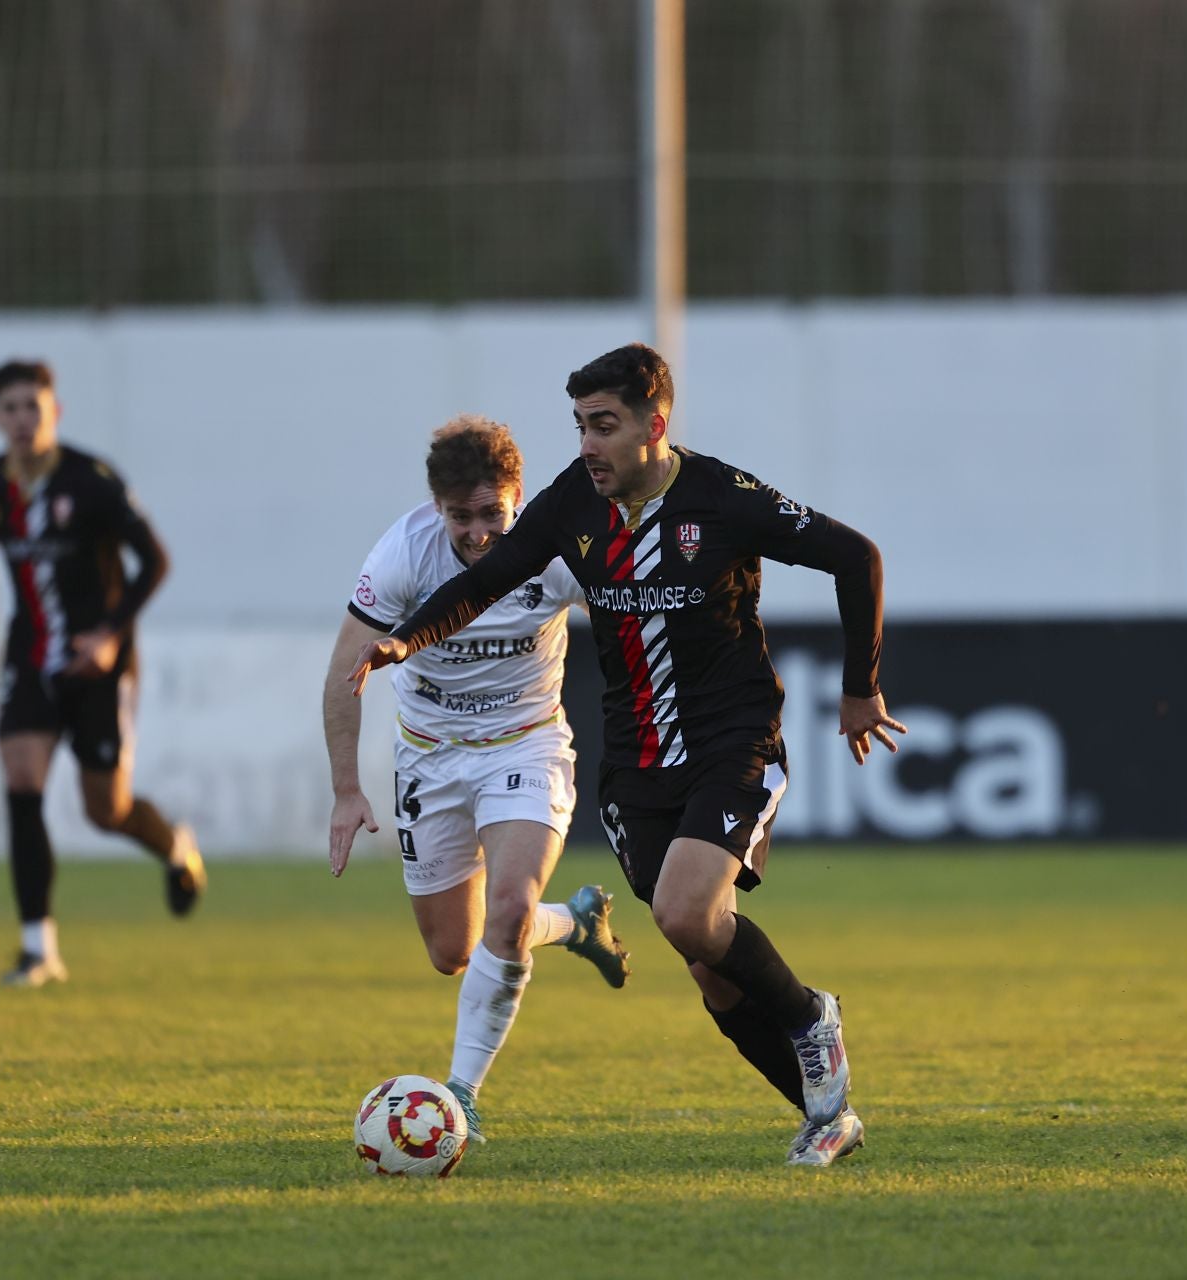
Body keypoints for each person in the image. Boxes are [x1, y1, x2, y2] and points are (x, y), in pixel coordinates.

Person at [346, 344, 903, 1167]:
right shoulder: (574, 503)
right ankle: (825, 1113)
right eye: (579, 426)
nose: (587, 446)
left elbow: (855, 556)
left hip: (732, 740)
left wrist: (860, 687)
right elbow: (490, 576)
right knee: (710, 967)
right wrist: (407, 642)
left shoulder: (721, 497)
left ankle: (810, 1018)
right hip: (636, 764)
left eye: (603, 427)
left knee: (684, 912)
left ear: (655, 425)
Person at [323, 414, 632, 1145]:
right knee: (452, 953)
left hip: (525, 747)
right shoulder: (403, 554)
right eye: (461, 516)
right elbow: (345, 674)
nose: (477, 533)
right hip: (430, 758)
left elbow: (640, 617)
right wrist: (345, 788)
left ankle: (460, 1095)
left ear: (517, 496)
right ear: (438, 507)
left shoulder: (560, 549)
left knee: (510, 909)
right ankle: (578, 921)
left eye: (493, 513)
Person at [0, 359, 205, 988]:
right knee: (21, 783)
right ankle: (39, 948)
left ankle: (175, 845)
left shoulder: (92, 481)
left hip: (100, 665)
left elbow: (155, 561)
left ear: (54, 413)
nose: (21, 419)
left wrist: (107, 634)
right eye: (9, 408)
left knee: (105, 810)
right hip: (29, 656)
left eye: (32, 407)